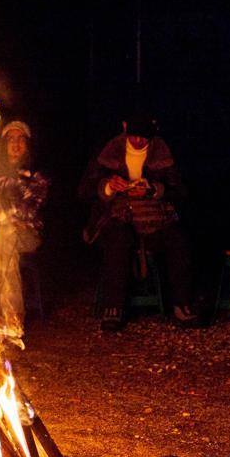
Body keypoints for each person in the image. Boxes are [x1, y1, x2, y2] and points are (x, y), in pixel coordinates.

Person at [79, 113, 199, 332]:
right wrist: (108, 186)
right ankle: (113, 307)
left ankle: (182, 305)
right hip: (118, 217)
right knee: (118, 238)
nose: (138, 141)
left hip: (153, 218)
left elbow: (181, 191)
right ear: (125, 128)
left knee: (177, 239)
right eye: (134, 136)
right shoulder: (110, 150)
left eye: (143, 137)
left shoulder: (162, 151)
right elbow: (85, 191)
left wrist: (153, 190)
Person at [0, 120, 51, 348]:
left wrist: (2, 210)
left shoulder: (37, 176)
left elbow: (28, 211)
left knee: (7, 235)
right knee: (2, 244)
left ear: (27, 145)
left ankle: (10, 320)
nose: (15, 144)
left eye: (20, 139)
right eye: (10, 139)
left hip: (28, 235)